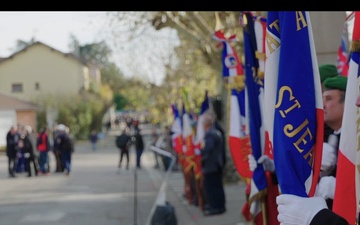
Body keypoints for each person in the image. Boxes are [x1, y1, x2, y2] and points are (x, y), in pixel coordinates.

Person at [200, 110, 226, 216]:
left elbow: (207, 149)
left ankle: (216, 206)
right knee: (217, 186)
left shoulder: (210, 134)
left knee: (212, 188)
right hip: (216, 165)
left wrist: (202, 155)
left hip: (211, 166)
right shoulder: (215, 132)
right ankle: (219, 205)